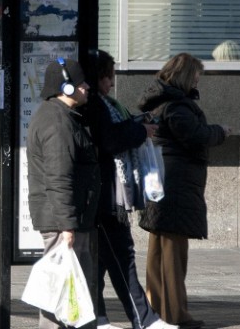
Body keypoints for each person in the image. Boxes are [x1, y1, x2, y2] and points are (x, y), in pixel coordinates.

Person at [137, 53, 231, 329]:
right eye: (197, 75)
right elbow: (196, 135)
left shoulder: (160, 101)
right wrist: (220, 131)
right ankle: (176, 315)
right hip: (175, 183)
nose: (199, 80)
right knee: (174, 252)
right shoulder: (176, 105)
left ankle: (157, 311)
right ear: (186, 75)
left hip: (162, 180)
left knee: (159, 250)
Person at [88, 50, 177, 329]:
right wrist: (140, 132)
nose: (111, 83)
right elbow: (110, 139)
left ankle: (99, 318)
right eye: (108, 78)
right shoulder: (96, 105)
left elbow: (116, 130)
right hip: (108, 192)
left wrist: (139, 124)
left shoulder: (103, 103)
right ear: (98, 77)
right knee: (122, 256)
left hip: (109, 191)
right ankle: (145, 320)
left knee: (103, 260)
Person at [26, 58, 100, 329]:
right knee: (62, 289)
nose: (87, 87)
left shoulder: (59, 116)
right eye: (81, 83)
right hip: (63, 222)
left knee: (67, 288)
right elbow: (58, 177)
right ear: (66, 88)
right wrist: (67, 226)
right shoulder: (57, 123)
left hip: (65, 218)